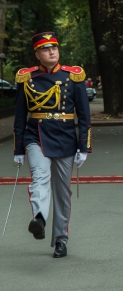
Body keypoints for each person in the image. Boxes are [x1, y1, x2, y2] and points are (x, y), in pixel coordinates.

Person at [12, 31, 92, 258]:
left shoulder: (73, 76)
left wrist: (83, 146)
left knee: (62, 192)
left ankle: (60, 239)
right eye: (46, 49)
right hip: (35, 134)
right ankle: (39, 218)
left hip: (65, 137)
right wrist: (19, 148)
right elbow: (20, 115)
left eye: (54, 48)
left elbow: (84, 115)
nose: (51, 52)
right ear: (37, 54)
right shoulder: (27, 78)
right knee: (40, 177)